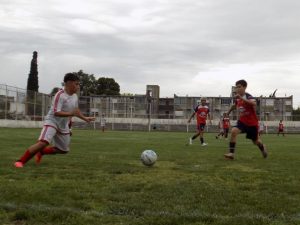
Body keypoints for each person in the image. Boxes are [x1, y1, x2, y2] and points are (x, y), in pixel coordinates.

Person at [14, 73, 95, 168]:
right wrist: (71, 114)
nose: (78, 87)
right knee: (43, 143)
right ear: (68, 83)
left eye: (78, 84)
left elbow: (75, 111)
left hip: (63, 124)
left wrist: (85, 118)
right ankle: (20, 161)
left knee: (63, 150)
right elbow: (57, 112)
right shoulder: (59, 95)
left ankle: (41, 152)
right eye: (76, 84)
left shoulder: (74, 96)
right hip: (52, 121)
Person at [224, 79, 268, 160]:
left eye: (239, 87)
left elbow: (254, 103)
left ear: (245, 87)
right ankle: (231, 153)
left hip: (252, 124)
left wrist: (241, 97)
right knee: (233, 131)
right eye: (236, 87)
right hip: (242, 122)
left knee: (256, 142)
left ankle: (262, 147)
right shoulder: (238, 98)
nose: (237, 89)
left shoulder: (248, 96)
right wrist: (228, 112)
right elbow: (234, 105)